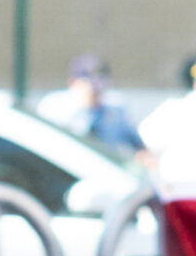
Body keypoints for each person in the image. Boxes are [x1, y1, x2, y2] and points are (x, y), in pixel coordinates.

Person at [36, 53, 145, 156]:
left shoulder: (115, 111)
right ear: (73, 82)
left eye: (100, 89)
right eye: (92, 88)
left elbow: (140, 150)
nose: (97, 93)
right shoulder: (55, 107)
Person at [139, 55, 196, 183]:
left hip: (175, 192)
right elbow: (143, 148)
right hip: (178, 193)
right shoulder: (174, 109)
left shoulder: (173, 109)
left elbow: (141, 149)